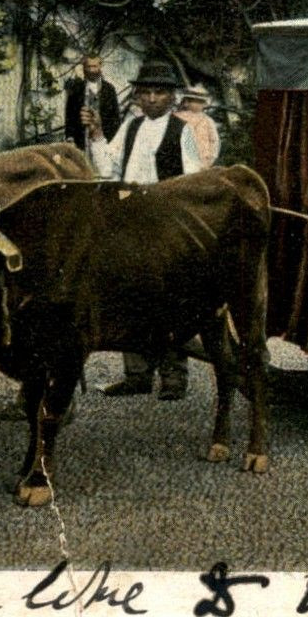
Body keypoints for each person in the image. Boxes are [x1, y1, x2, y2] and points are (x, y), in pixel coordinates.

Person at [85, 60, 204, 399]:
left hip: (165, 225)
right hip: (130, 222)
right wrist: (96, 135)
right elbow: (109, 166)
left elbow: (193, 182)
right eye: (146, 92)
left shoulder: (183, 132)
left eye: (160, 93)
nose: (152, 99)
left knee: (168, 300)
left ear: (172, 97)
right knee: (130, 298)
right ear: (137, 96)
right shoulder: (131, 127)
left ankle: (173, 378)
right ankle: (137, 374)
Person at [64, 53, 121, 149]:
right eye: (88, 66)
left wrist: (114, 141)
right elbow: (70, 116)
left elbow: (115, 117)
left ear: (100, 66)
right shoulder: (76, 89)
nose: (91, 70)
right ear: (83, 67)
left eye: (94, 66)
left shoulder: (109, 89)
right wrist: (70, 137)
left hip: (104, 141)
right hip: (81, 141)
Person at [175, 83, 222, 167]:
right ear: (186, 102)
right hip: (181, 159)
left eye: (201, 102)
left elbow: (214, 140)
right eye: (194, 101)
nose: (198, 105)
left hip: (203, 159)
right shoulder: (177, 117)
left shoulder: (207, 120)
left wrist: (211, 157)